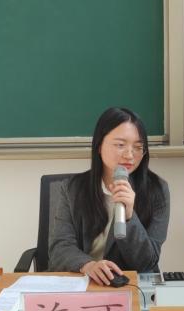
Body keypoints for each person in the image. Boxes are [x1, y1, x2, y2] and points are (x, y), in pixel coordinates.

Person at [48, 107, 170, 285]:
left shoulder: (157, 191)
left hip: (130, 285)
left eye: (138, 147)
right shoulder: (73, 188)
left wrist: (129, 218)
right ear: (99, 145)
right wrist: (88, 265)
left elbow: (147, 262)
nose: (130, 155)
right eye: (120, 145)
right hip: (83, 283)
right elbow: (60, 248)